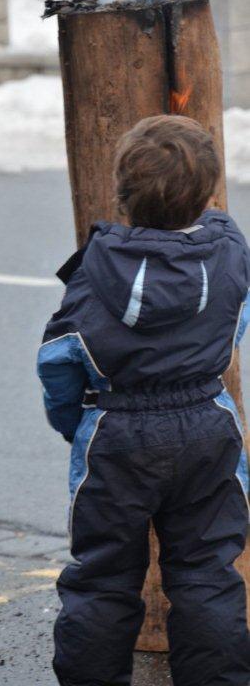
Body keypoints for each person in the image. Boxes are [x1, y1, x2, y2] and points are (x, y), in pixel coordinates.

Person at [37, 115, 250, 686]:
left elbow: (58, 358)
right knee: (208, 571)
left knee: (102, 577)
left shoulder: (94, 270)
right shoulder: (230, 252)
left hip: (116, 429)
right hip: (207, 422)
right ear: (208, 194)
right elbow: (236, 321)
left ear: (121, 195)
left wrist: (74, 424)